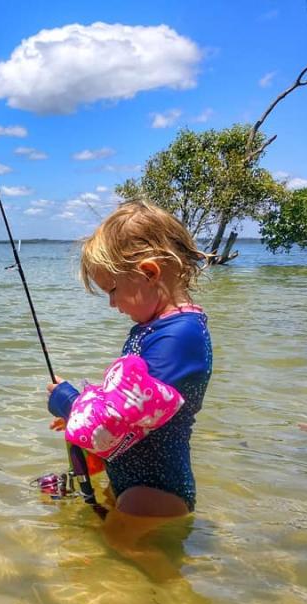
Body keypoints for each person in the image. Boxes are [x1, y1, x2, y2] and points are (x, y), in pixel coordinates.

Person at [46, 200, 213, 519]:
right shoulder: (157, 329)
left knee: (121, 562)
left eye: (112, 290)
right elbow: (131, 397)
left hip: (154, 489)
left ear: (149, 273)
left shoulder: (178, 337)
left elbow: (119, 419)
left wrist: (70, 403)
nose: (111, 303)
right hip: (135, 482)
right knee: (114, 556)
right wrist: (83, 405)